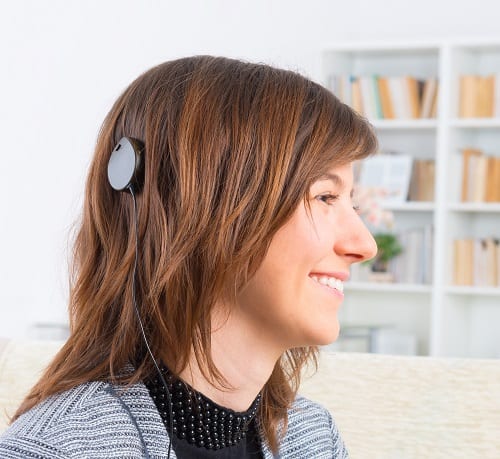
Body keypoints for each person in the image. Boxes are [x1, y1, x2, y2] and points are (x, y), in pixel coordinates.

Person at [0, 55, 377, 458]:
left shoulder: (313, 438)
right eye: (325, 197)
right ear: (205, 208)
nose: (365, 245)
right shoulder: (57, 450)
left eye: (350, 204)